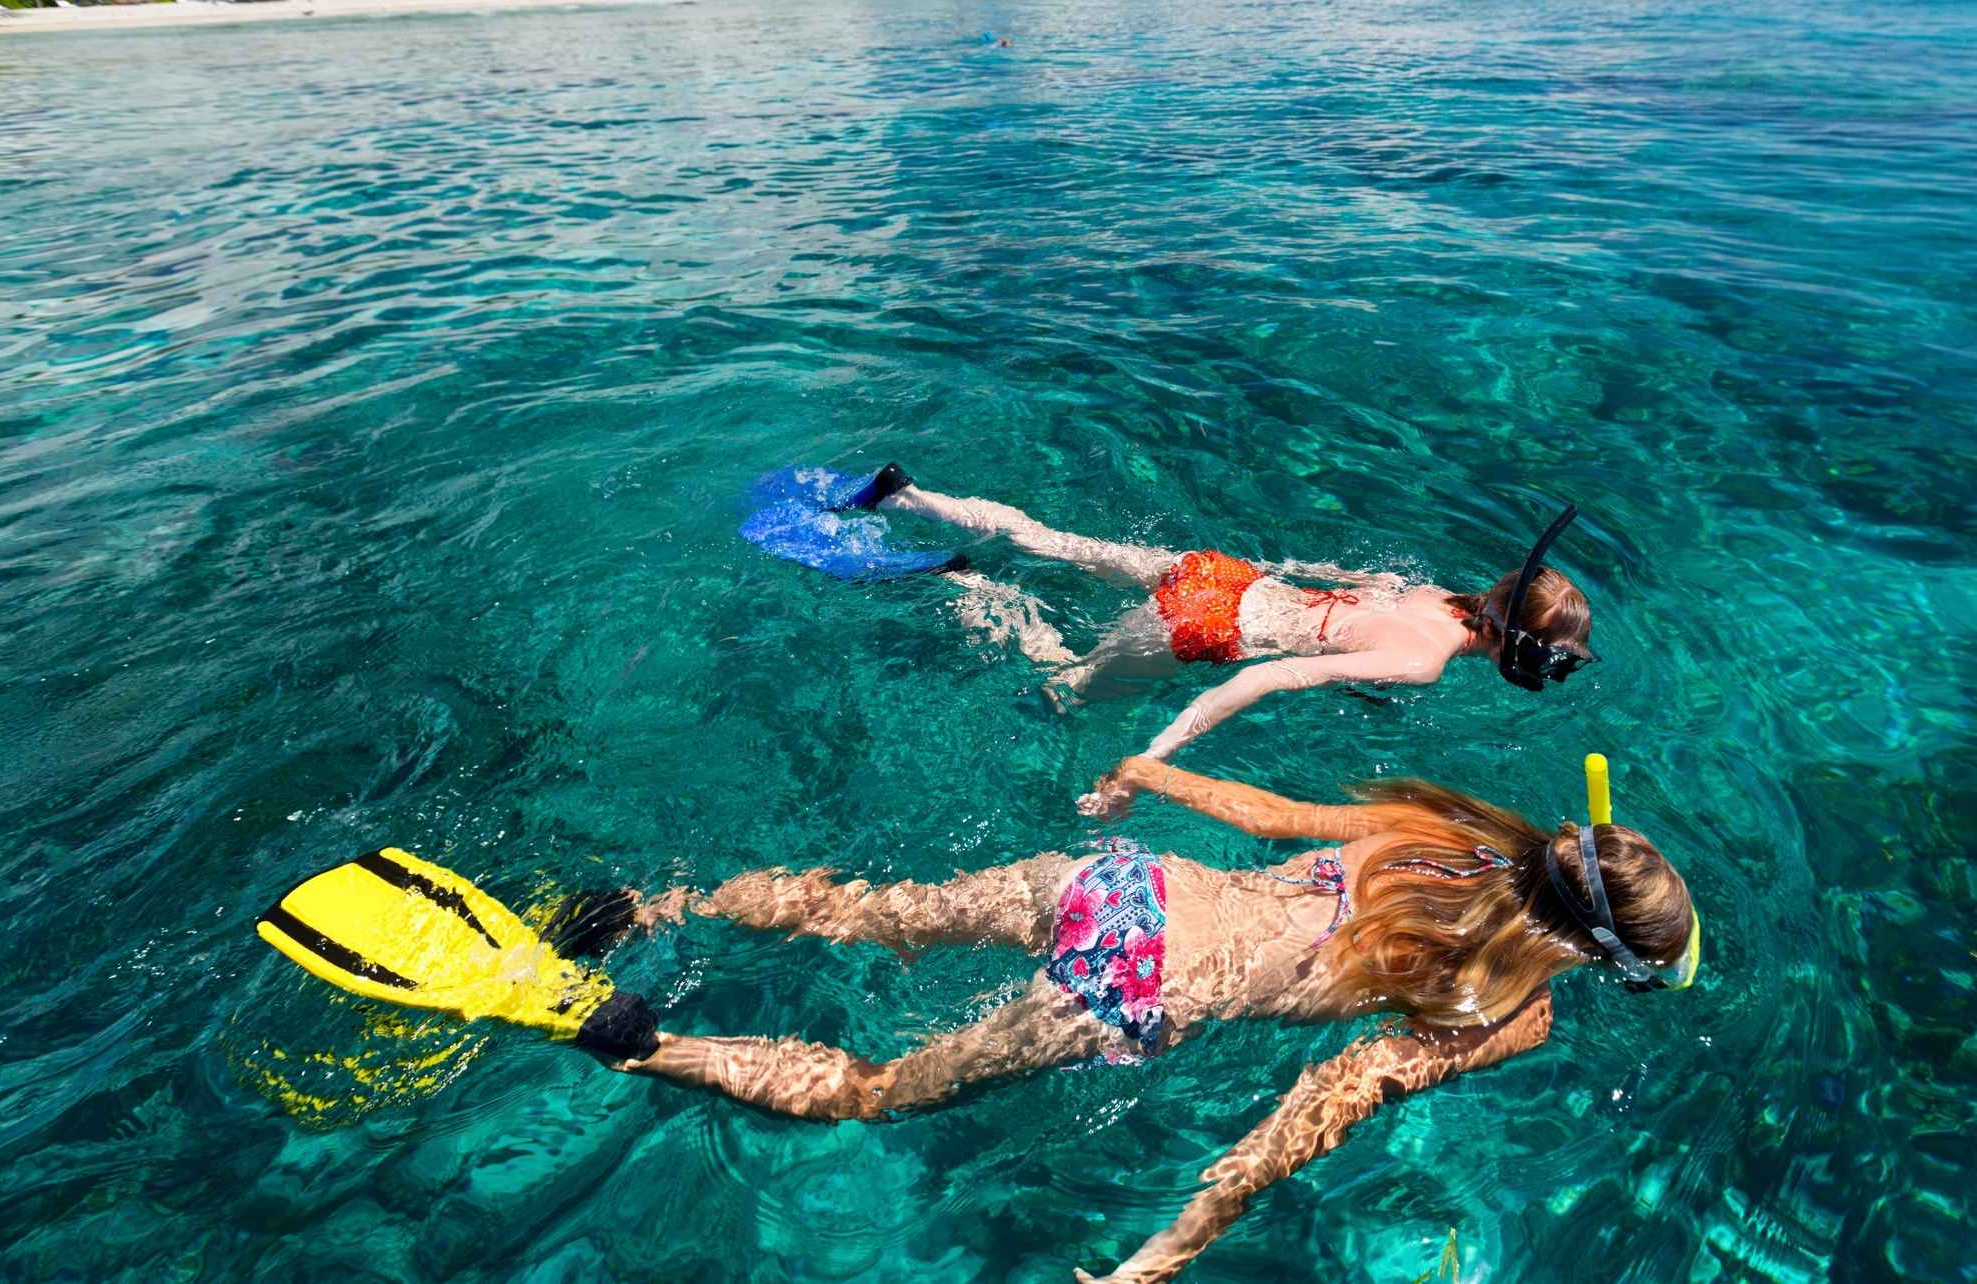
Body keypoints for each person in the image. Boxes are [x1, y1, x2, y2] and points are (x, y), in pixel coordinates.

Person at [605, 757, 1700, 1282]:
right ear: (1592, 956)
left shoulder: (1440, 833)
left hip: (1124, 882)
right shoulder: (1514, 1010)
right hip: (1130, 988)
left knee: (864, 913)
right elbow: (1330, 1096)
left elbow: (1269, 815)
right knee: (872, 1092)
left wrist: (1148, 771)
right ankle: (642, 1043)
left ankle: (661, 904)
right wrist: (1164, 1254)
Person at [836, 466, 1598, 813]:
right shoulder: (1423, 661)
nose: (1546, 670)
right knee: (1063, 688)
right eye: (1548, 659)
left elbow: (1332, 579)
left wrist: (1272, 581)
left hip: (1222, 576)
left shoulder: (1435, 595)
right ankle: (972, 588)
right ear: (1515, 644)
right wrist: (1150, 763)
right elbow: (1265, 678)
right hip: (1208, 627)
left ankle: (911, 496)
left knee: (1052, 541)